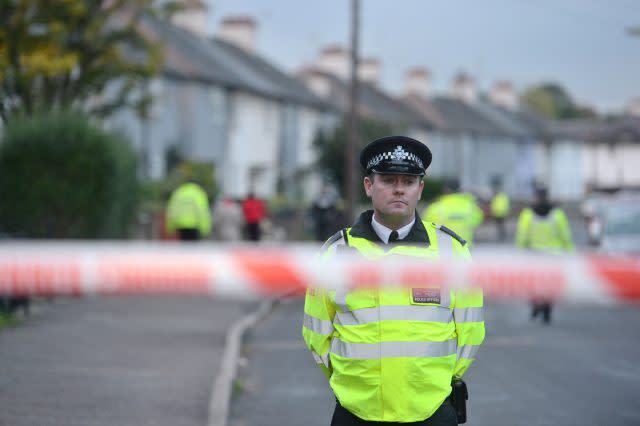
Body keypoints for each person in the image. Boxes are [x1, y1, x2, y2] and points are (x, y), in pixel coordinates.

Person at [302, 136, 485, 425]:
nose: (399, 189)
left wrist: (437, 384)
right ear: (368, 186)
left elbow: (470, 331)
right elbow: (316, 333)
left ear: (420, 188)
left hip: (431, 411)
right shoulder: (336, 252)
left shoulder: (452, 251)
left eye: (409, 181)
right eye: (388, 180)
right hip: (356, 412)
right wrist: (351, 385)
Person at [515, 185, 574, 324]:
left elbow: (522, 235)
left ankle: (536, 305)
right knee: (550, 284)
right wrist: (569, 251)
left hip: (534, 254)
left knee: (533, 283)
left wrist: (520, 250)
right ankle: (547, 311)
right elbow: (565, 235)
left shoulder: (528, 214)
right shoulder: (557, 214)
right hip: (554, 255)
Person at [422, 178, 484, 246]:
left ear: (445, 190)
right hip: (465, 249)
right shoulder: (471, 207)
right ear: (460, 189)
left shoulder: (435, 208)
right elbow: (479, 220)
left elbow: (425, 226)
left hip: (443, 249)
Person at [489, 178, 510, 242]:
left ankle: (502, 236)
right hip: (499, 213)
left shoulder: (499, 196)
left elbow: (499, 204)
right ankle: (502, 236)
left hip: (500, 213)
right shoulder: (501, 196)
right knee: (500, 226)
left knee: (501, 226)